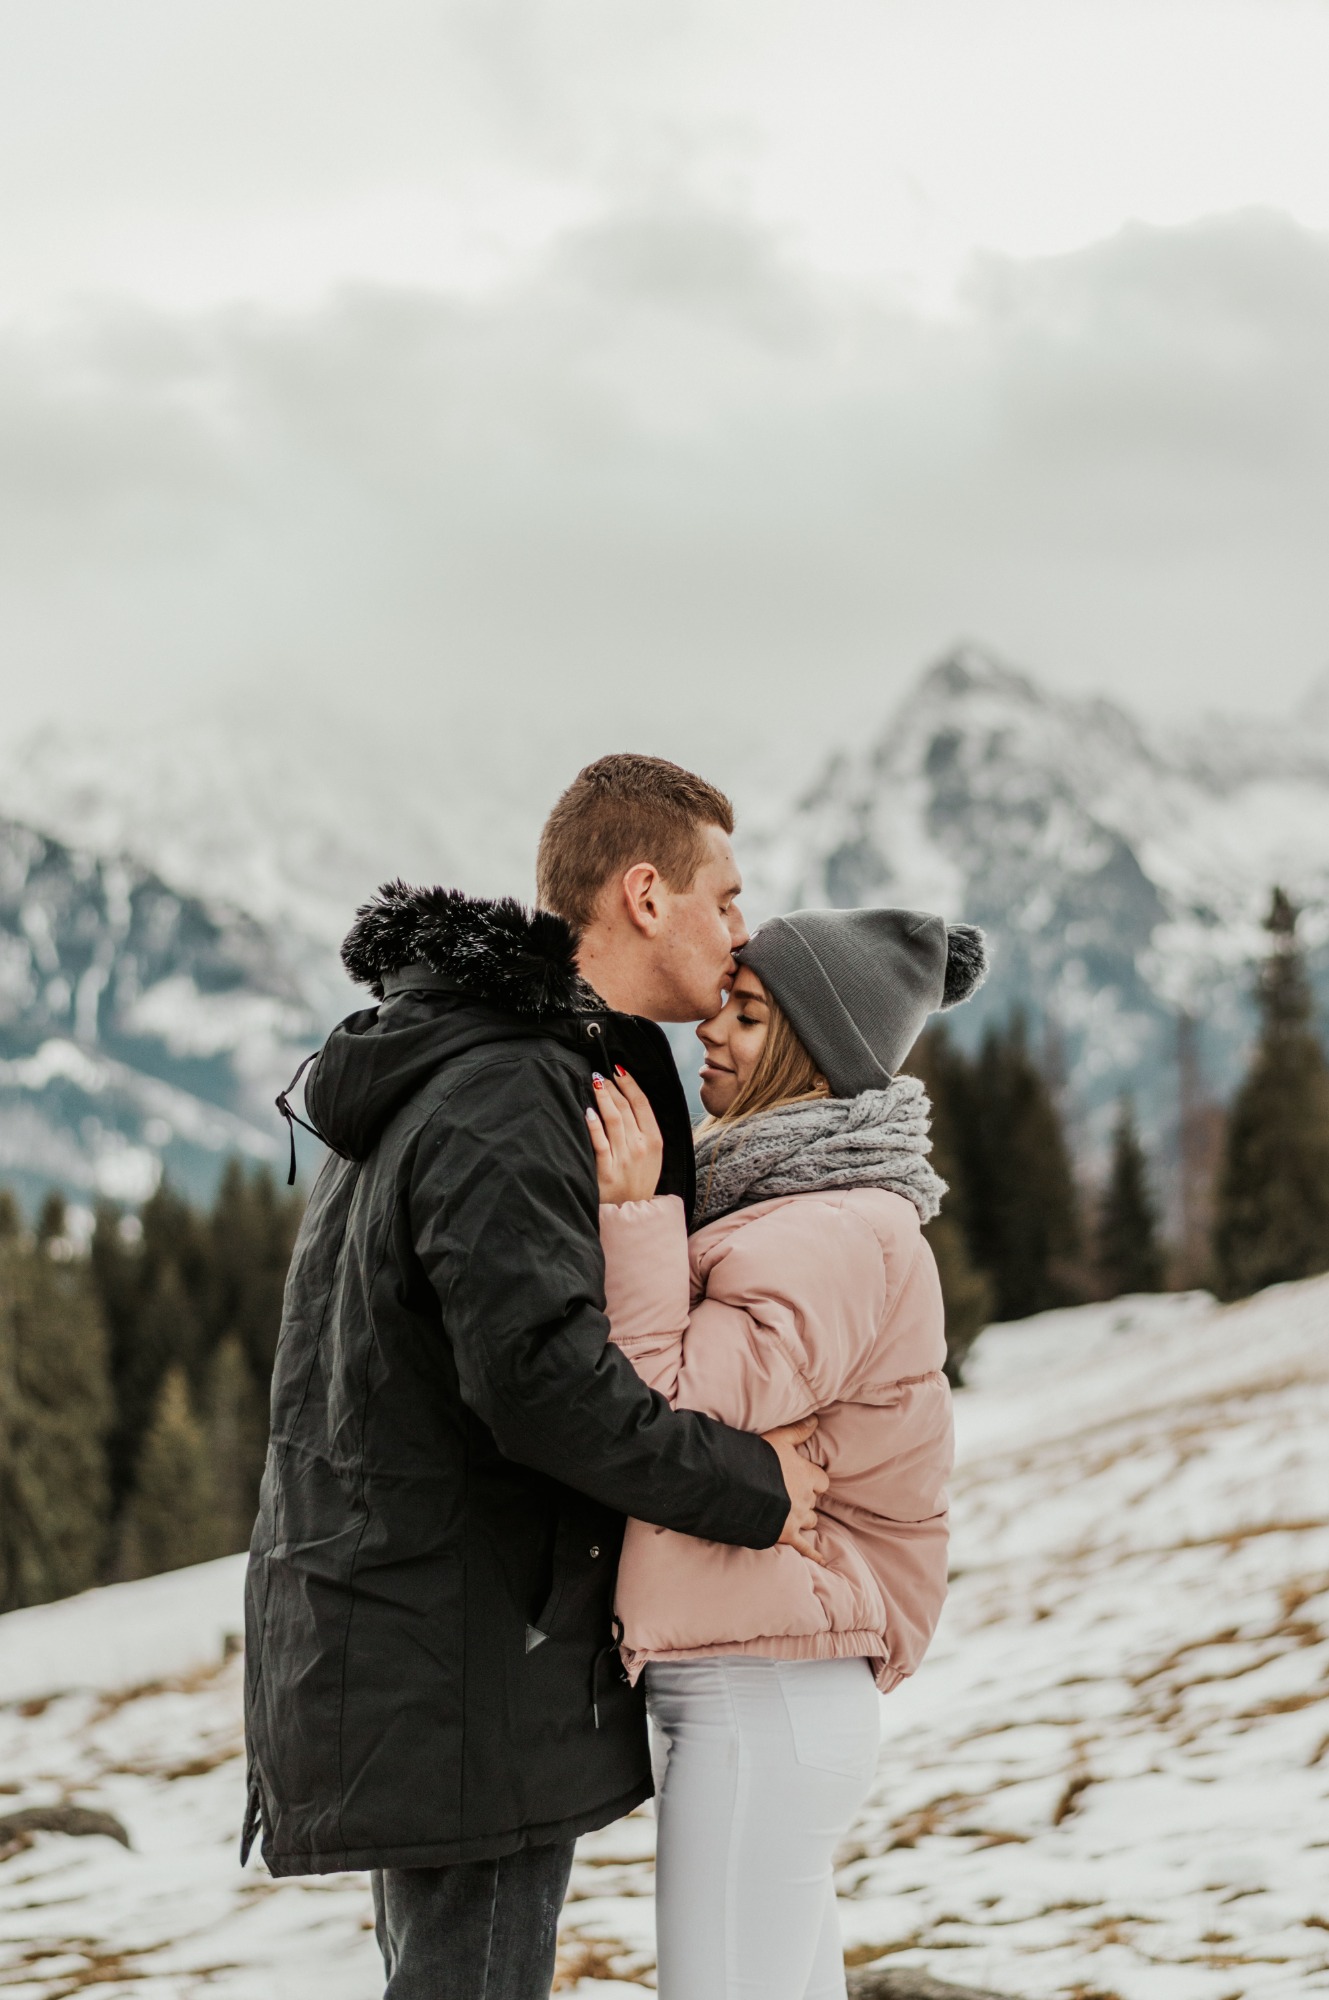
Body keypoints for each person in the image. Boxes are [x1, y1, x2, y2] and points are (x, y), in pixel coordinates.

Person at [242, 755, 829, 2000]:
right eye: (726, 898)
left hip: (426, 1627)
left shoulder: (467, 1056)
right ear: (644, 893)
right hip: (465, 1654)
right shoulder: (513, 1084)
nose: (741, 936)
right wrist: (755, 1483)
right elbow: (541, 1384)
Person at [586, 905, 988, 2000]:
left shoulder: (832, 1227)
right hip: (764, 1679)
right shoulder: (789, 1203)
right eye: (725, 1003)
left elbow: (668, 1400)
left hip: (765, 1689)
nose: (712, 1029)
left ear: (811, 1051)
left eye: (750, 1016)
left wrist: (634, 1213)